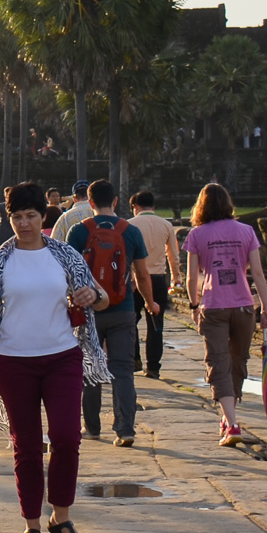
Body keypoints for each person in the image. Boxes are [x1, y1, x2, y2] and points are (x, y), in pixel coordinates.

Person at [0, 180, 105, 533]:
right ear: (8, 218)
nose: (24, 223)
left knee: (66, 437)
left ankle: (61, 517)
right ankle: (31, 526)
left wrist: (92, 295)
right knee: (26, 446)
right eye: (16, 217)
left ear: (43, 216)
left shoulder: (64, 255)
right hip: (14, 362)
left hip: (62, 357)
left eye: (31, 215)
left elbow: (102, 297)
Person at [183, 182, 267, 448]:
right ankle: (229, 417)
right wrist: (265, 307)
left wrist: (194, 305)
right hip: (244, 305)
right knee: (237, 360)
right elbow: (257, 273)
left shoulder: (197, 234)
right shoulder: (246, 231)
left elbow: (191, 278)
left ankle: (231, 422)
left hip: (213, 306)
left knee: (218, 361)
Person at [67, 180, 152, 447]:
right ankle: (125, 429)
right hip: (123, 309)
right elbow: (142, 273)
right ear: (115, 201)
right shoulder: (131, 231)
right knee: (123, 370)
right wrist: (150, 302)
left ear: (90, 202)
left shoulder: (79, 231)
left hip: (89, 310)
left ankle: (92, 427)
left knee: (91, 370)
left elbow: (69, 272)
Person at [129, 191, 181, 380]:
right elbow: (173, 255)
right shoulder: (166, 225)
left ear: (135, 207)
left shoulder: (130, 225)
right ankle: (153, 367)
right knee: (156, 325)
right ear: (153, 206)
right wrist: (176, 277)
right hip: (158, 277)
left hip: (135, 278)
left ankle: (134, 358)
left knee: (130, 321)